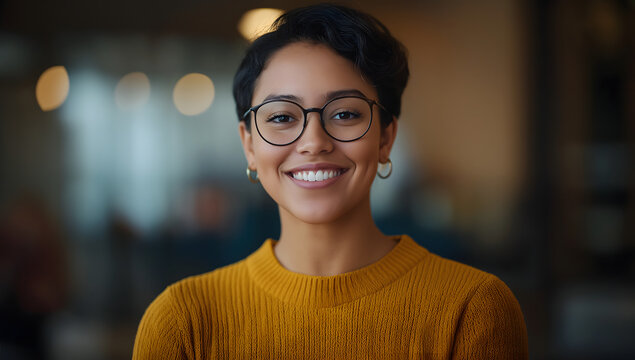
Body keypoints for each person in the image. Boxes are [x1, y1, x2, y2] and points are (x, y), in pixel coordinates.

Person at [132, 4, 529, 359]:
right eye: (282, 117)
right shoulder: (183, 322)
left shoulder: (472, 309)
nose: (314, 142)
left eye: (344, 114)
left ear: (386, 137)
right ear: (249, 146)